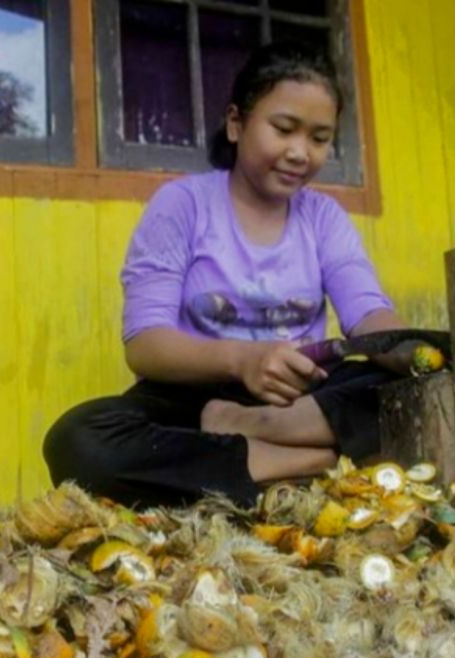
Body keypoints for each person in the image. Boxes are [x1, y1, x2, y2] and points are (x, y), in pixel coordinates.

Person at [43, 41, 420, 508]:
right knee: (78, 440)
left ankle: (261, 437)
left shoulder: (324, 218)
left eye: (320, 139)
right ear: (237, 123)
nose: (301, 152)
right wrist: (243, 361)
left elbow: (368, 315)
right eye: (284, 129)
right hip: (193, 402)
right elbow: (145, 345)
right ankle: (309, 462)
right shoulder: (182, 205)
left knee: (403, 388)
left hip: (300, 400)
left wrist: (419, 351)